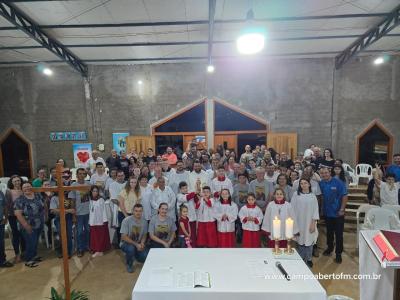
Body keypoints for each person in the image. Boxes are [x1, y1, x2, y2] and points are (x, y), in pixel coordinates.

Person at [319, 166, 348, 264]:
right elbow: (322, 196)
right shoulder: (321, 183)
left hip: (338, 213)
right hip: (328, 213)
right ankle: (330, 248)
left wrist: (342, 209)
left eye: (326, 173)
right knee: (329, 233)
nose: (324, 175)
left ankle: (338, 254)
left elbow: (344, 196)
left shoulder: (338, 182)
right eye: (322, 173)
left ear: (330, 172)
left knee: (339, 235)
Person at [14, 182, 44, 267]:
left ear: (32, 187)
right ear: (22, 189)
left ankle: (34, 255)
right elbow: (18, 214)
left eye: (28, 186)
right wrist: (26, 225)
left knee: (35, 241)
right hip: (27, 224)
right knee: (31, 242)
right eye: (25, 187)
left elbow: (43, 206)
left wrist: (44, 217)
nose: (27, 188)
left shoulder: (38, 195)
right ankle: (29, 260)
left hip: (39, 222)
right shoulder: (19, 200)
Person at [291, 178, 319, 268]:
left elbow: (315, 210)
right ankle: (301, 258)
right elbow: (292, 209)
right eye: (301, 183)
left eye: (305, 183)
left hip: (309, 222)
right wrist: (293, 223)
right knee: (300, 241)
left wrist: (313, 223)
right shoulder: (296, 195)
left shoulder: (312, 196)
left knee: (309, 241)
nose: (303, 185)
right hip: (299, 222)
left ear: (309, 184)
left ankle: (309, 259)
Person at [120, 204, 149, 273]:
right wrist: (136, 245)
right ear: (133, 211)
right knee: (131, 248)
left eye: (140, 211)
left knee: (144, 258)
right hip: (125, 243)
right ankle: (129, 264)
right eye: (136, 211)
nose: (138, 213)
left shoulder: (144, 222)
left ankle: (134, 255)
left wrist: (142, 243)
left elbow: (145, 234)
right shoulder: (126, 220)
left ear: (142, 212)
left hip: (138, 243)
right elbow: (123, 236)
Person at [68, 168, 90, 257]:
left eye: (83, 174)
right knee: (79, 232)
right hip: (79, 214)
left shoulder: (88, 184)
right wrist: (74, 215)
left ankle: (88, 246)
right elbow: (72, 201)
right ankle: (80, 248)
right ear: (76, 175)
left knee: (88, 230)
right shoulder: (73, 185)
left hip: (88, 213)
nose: (81, 175)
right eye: (80, 173)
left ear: (85, 175)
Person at [5, 175, 24, 263]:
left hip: (24, 215)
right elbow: (7, 205)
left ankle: (24, 252)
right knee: (16, 235)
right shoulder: (9, 191)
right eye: (15, 181)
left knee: (24, 234)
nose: (17, 182)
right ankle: (17, 254)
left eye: (18, 180)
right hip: (13, 216)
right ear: (11, 183)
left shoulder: (24, 190)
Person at [117, 177, 141, 245]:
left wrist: (134, 215)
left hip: (132, 214)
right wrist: (126, 216)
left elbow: (137, 205)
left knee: (131, 231)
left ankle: (131, 244)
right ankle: (122, 245)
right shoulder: (123, 191)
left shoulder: (138, 192)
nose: (133, 184)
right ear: (129, 183)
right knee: (123, 230)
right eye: (131, 182)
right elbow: (121, 204)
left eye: (135, 182)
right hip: (123, 213)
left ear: (137, 183)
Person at [50, 191, 74, 258]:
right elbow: (53, 210)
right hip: (59, 218)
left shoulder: (68, 197)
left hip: (68, 217)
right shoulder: (54, 198)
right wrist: (67, 211)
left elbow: (72, 209)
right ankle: (63, 251)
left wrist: (71, 212)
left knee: (69, 234)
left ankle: (69, 252)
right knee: (62, 235)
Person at [89, 186, 111, 258]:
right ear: (91, 192)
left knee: (100, 236)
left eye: (96, 191)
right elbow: (91, 211)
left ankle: (99, 251)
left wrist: (104, 220)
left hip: (100, 221)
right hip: (93, 221)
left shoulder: (101, 200)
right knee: (95, 237)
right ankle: (96, 249)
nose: (95, 193)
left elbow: (103, 210)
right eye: (93, 191)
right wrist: (90, 221)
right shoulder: (91, 200)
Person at [176, 181, 197, 247]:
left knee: (193, 235)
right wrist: (195, 192)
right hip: (184, 220)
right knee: (185, 236)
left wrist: (197, 194)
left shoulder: (190, 194)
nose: (185, 189)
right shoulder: (179, 196)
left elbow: (196, 200)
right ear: (180, 189)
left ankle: (193, 248)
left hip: (192, 219)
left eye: (186, 188)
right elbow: (186, 198)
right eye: (183, 188)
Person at [0, 190, 13, 267]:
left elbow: (5, 206)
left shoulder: (0, 193)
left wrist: (6, 218)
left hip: (0, 222)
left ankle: (2, 261)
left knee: (1, 243)